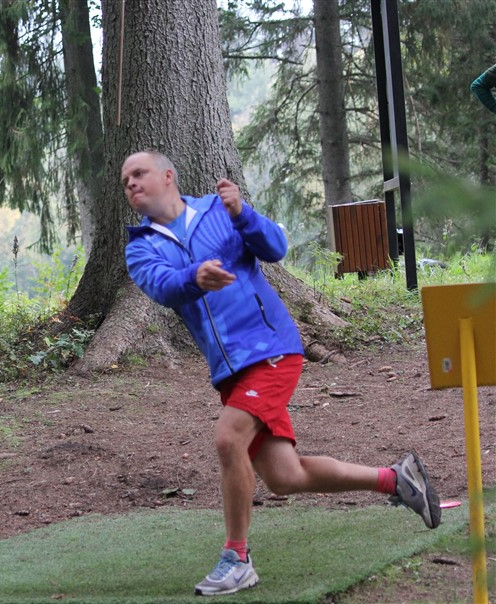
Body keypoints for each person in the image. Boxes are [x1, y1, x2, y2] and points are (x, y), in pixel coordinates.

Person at [121, 150, 441, 597]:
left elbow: (275, 248)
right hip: (230, 370)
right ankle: (395, 479)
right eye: (126, 181)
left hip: (270, 348)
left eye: (139, 174)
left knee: (228, 439)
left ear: (168, 176)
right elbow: (162, 286)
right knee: (284, 477)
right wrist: (196, 276)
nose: (131, 184)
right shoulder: (139, 246)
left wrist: (243, 213)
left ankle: (237, 559)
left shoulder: (219, 209)